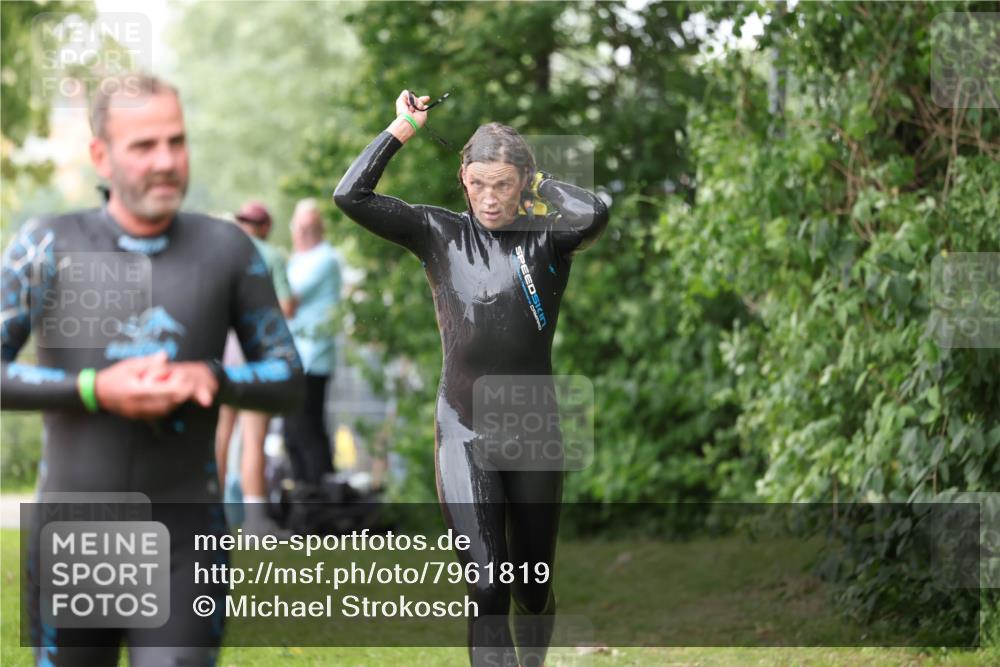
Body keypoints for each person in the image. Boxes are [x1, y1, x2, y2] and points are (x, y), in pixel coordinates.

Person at [1, 73, 304, 666]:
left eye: (177, 141)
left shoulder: (227, 251)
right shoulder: (46, 246)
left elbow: (289, 380)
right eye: (143, 146)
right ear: (101, 155)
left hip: (185, 540)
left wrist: (212, 379)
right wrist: (93, 390)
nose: (165, 161)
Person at [334, 90, 609, 667]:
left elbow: (595, 214)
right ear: (462, 178)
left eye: (504, 184)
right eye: (479, 183)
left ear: (523, 182)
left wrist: (541, 185)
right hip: (463, 429)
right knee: (488, 585)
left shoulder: (548, 238)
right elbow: (350, 196)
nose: (489, 198)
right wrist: (402, 128)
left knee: (531, 588)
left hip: (533, 428)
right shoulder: (438, 233)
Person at [214, 201, 294, 533]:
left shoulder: (219, 255)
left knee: (220, 436)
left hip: (222, 356)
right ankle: (257, 523)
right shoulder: (272, 256)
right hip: (256, 359)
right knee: (253, 439)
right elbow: (286, 308)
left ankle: (209, 517)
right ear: (265, 227)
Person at [283, 198, 342, 485]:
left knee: (305, 432)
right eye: (299, 227)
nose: (303, 232)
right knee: (295, 433)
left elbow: (287, 304)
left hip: (312, 357)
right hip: (297, 356)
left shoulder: (323, 259)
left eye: (309, 227)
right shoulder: (299, 260)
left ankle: (321, 503)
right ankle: (308, 501)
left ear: (320, 228)